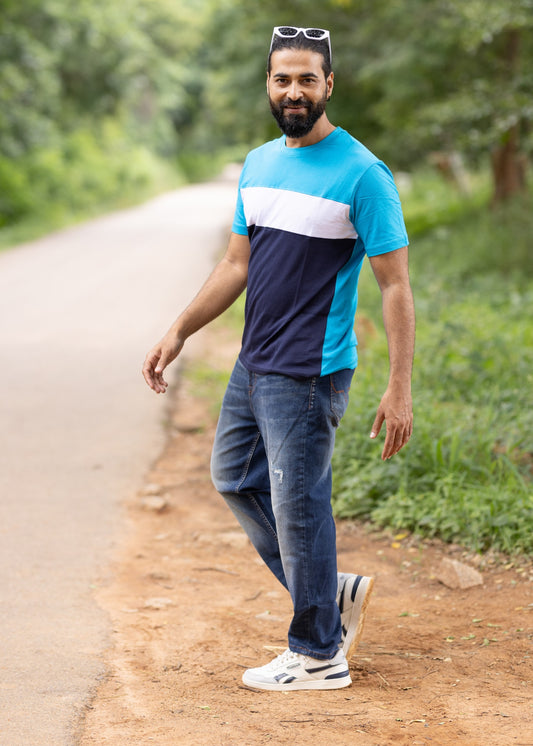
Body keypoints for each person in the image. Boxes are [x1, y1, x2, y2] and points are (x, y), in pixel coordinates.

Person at [142, 26, 415, 692]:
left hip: (309, 370)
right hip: (253, 362)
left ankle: (319, 652)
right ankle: (331, 592)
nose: (293, 90)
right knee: (235, 477)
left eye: (306, 78)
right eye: (281, 78)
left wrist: (398, 387)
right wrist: (179, 328)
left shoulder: (362, 173)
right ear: (267, 84)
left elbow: (395, 285)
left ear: (328, 84)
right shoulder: (259, 163)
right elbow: (236, 264)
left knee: (299, 507)